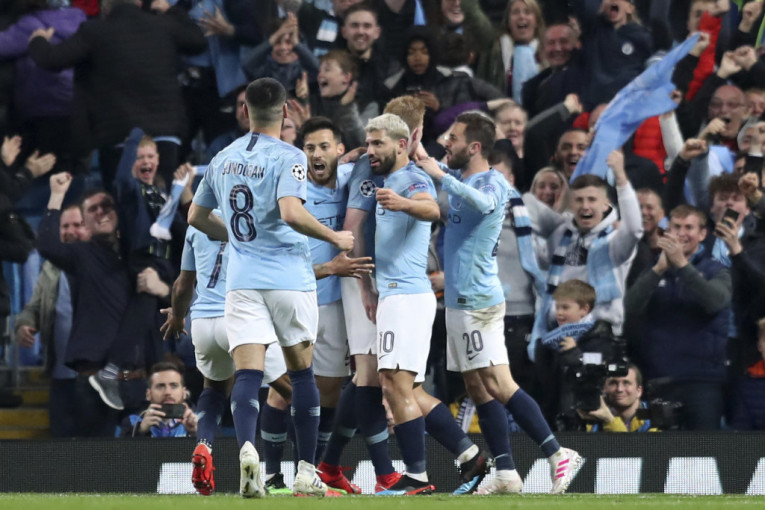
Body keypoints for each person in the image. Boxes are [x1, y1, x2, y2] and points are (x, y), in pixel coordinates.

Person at [188, 77, 353, 498]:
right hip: (289, 278)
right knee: (301, 374)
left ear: (245, 110)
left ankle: (248, 451)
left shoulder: (222, 158)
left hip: (242, 282)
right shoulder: (290, 155)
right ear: (285, 111)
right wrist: (334, 237)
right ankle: (306, 471)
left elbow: (195, 217)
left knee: (247, 372)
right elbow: (291, 212)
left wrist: (236, 236)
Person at [417, 111, 582, 495]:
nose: (447, 143)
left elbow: (485, 204)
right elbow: (434, 165)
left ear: (475, 147)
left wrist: (442, 176)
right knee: (476, 387)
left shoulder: (494, 182)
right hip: (458, 301)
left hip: (479, 301)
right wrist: (420, 148)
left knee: (498, 382)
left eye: (454, 138)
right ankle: (506, 471)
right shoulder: (461, 177)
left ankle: (558, 453)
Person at [27, 0, 206, 190]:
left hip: (119, 136)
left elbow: (51, 59)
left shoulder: (94, 32)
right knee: (163, 203)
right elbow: (198, 40)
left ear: (105, 7)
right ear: (139, 2)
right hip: (165, 134)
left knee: (123, 202)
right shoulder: (163, 24)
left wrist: (38, 39)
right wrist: (173, 11)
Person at [364, 113, 440, 495]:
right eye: (368, 142)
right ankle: (432, 468)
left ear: (401, 144)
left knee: (395, 383)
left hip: (406, 295)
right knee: (399, 385)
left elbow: (432, 209)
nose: (370, 150)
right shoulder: (390, 180)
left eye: (378, 143)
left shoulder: (411, 179)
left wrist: (402, 203)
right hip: (398, 296)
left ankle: (417, 476)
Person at [625, 205, 732, 430]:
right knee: (658, 448)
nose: (682, 233)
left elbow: (714, 302)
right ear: (667, 232)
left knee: (704, 448)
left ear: (702, 234)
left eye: (689, 227)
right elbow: (631, 307)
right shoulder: (653, 268)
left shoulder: (716, 271)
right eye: (676, 227)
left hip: (702, 382)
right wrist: (657, 270)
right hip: (658, 378)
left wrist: (682, 265)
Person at [14, 204, 89, 437]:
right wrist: (23, 324)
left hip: (97, 380)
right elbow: (33, 308)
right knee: (60, 447)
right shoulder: (50, 268)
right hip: (60, 377)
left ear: (90, 227)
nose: (70, 231)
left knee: (98, 448)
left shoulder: (105, 263)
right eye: (65, 226)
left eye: (77, 225)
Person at [119, 362, 198, 437]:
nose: (167, 392)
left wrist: (196, 434)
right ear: (148, 394)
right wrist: (140, 431)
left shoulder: (199, 420)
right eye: (160, 386)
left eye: (174, 386)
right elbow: (121, 446)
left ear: (184, 393)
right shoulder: (133, 421)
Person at [578, 364, 657, 432]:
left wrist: (609, 420)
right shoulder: (593, 419)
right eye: (613, 383)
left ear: (639, 391)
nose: (619, 389)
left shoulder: (655, 418)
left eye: (626, 383)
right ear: (603, 389)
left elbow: (632, 445)